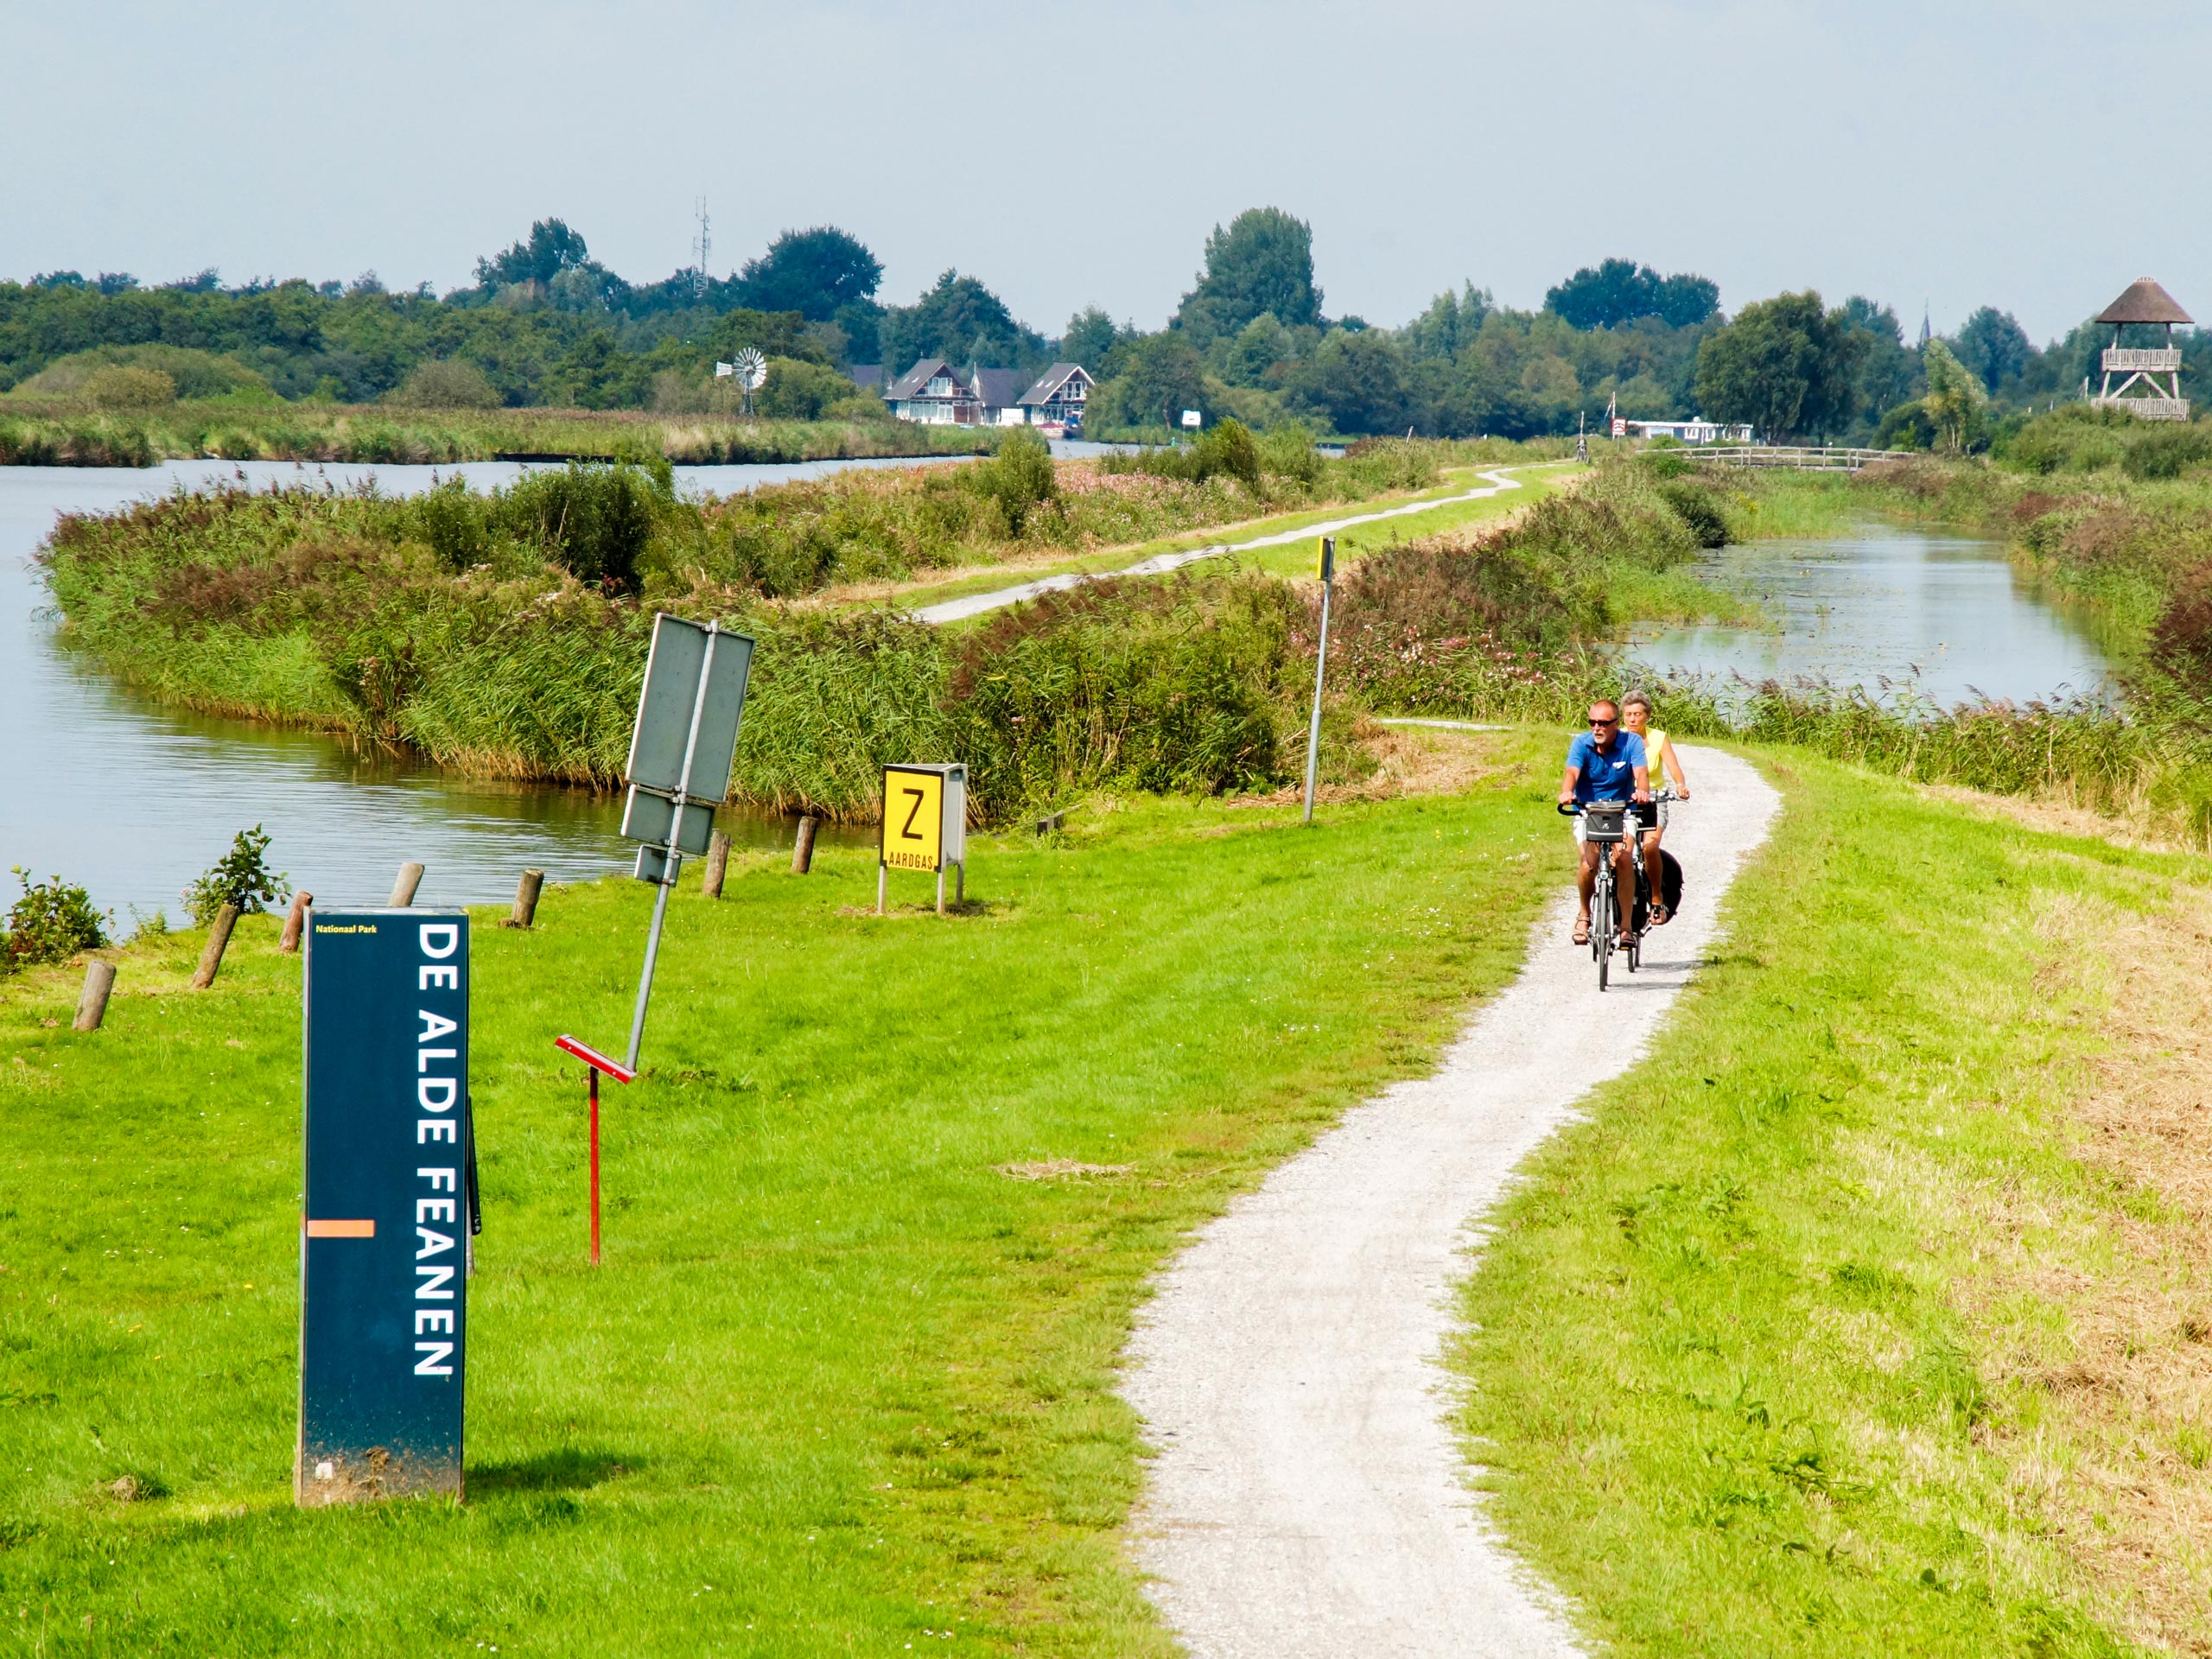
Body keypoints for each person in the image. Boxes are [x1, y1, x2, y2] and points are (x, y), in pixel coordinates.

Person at [1559, 699, 1649, 947]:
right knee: (1589, 863)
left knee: (1624, 858)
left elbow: (1641, 772)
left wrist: (1642, 791)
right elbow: (1572, 773)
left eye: (1603, 723)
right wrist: (1567, 792)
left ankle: (1627, 928)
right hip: (1589, 812)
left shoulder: (1631, 742)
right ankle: (1584, 915)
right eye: (1593, 722)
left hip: (1623, 811)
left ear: (1616, 724)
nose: (1597, 728)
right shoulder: (1581, 743)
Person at [1620, 693, 1688, 925]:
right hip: (1625, 801)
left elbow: (1674, 767)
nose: (1632, 719)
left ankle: (1658, 899)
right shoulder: (1618, 738)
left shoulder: (1658, 738)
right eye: (1628, 714)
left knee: (1650, 847)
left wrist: (1680, 785)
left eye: (1637, 714)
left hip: (1654, 799)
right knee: (1619, 852)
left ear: (1647, 716)